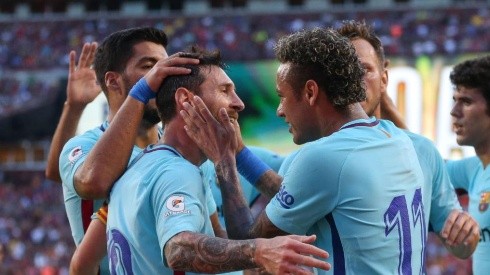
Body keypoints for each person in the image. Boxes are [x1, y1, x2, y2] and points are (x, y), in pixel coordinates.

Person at [181, 28, 431, 273]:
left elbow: (247, 243)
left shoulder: (323, 157)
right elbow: (307, 194)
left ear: (311, 92)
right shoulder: (396, 137)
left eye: (282, 96)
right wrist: (241, 153)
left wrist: (224, 159)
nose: (280, 110)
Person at [106, 46, 330, 274]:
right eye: (225, 91)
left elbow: (224, 241)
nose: (239, 103)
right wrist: (259, 251)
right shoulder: (176, 172)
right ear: (186, 100)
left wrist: (256, 265)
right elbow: (177, 248)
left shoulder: (142, 165)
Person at [56, 27, 202, 274]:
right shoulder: (83, 147)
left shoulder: (186, 152)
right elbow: (93, 183)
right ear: (113, 81)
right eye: (149, 66)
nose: (161, 74)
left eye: (164, 65)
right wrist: (141, 93)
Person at [336, 20, 479, 259]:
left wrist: (467, 235)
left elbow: (458, 242)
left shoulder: (423, 151)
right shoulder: (315, 157)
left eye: (363, 69)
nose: (354, 80)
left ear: (384, 78)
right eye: (343, 72)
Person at [445, 55, 490, 275]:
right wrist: (382, 98)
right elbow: (423, 159)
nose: (454, 111)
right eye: (455, 99)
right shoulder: (475, 168)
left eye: (467, 101)